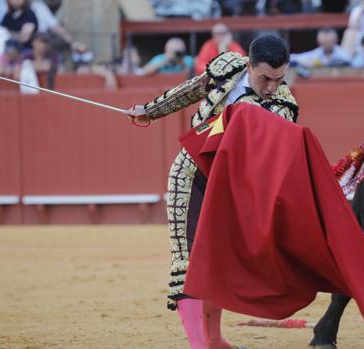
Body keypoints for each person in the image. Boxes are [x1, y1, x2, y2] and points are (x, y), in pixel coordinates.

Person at [124, 34, 298, 349]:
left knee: (215, 262)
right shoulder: (227, 67)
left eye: (279, 79)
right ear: (249, 64)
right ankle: (199, 345)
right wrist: (150, 110)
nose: (272, 87)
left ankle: (214, 339)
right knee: (185, 260)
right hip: (190, 171)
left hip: (230, 185)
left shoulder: (284, 105)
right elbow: (190, 91)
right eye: (265, 78)